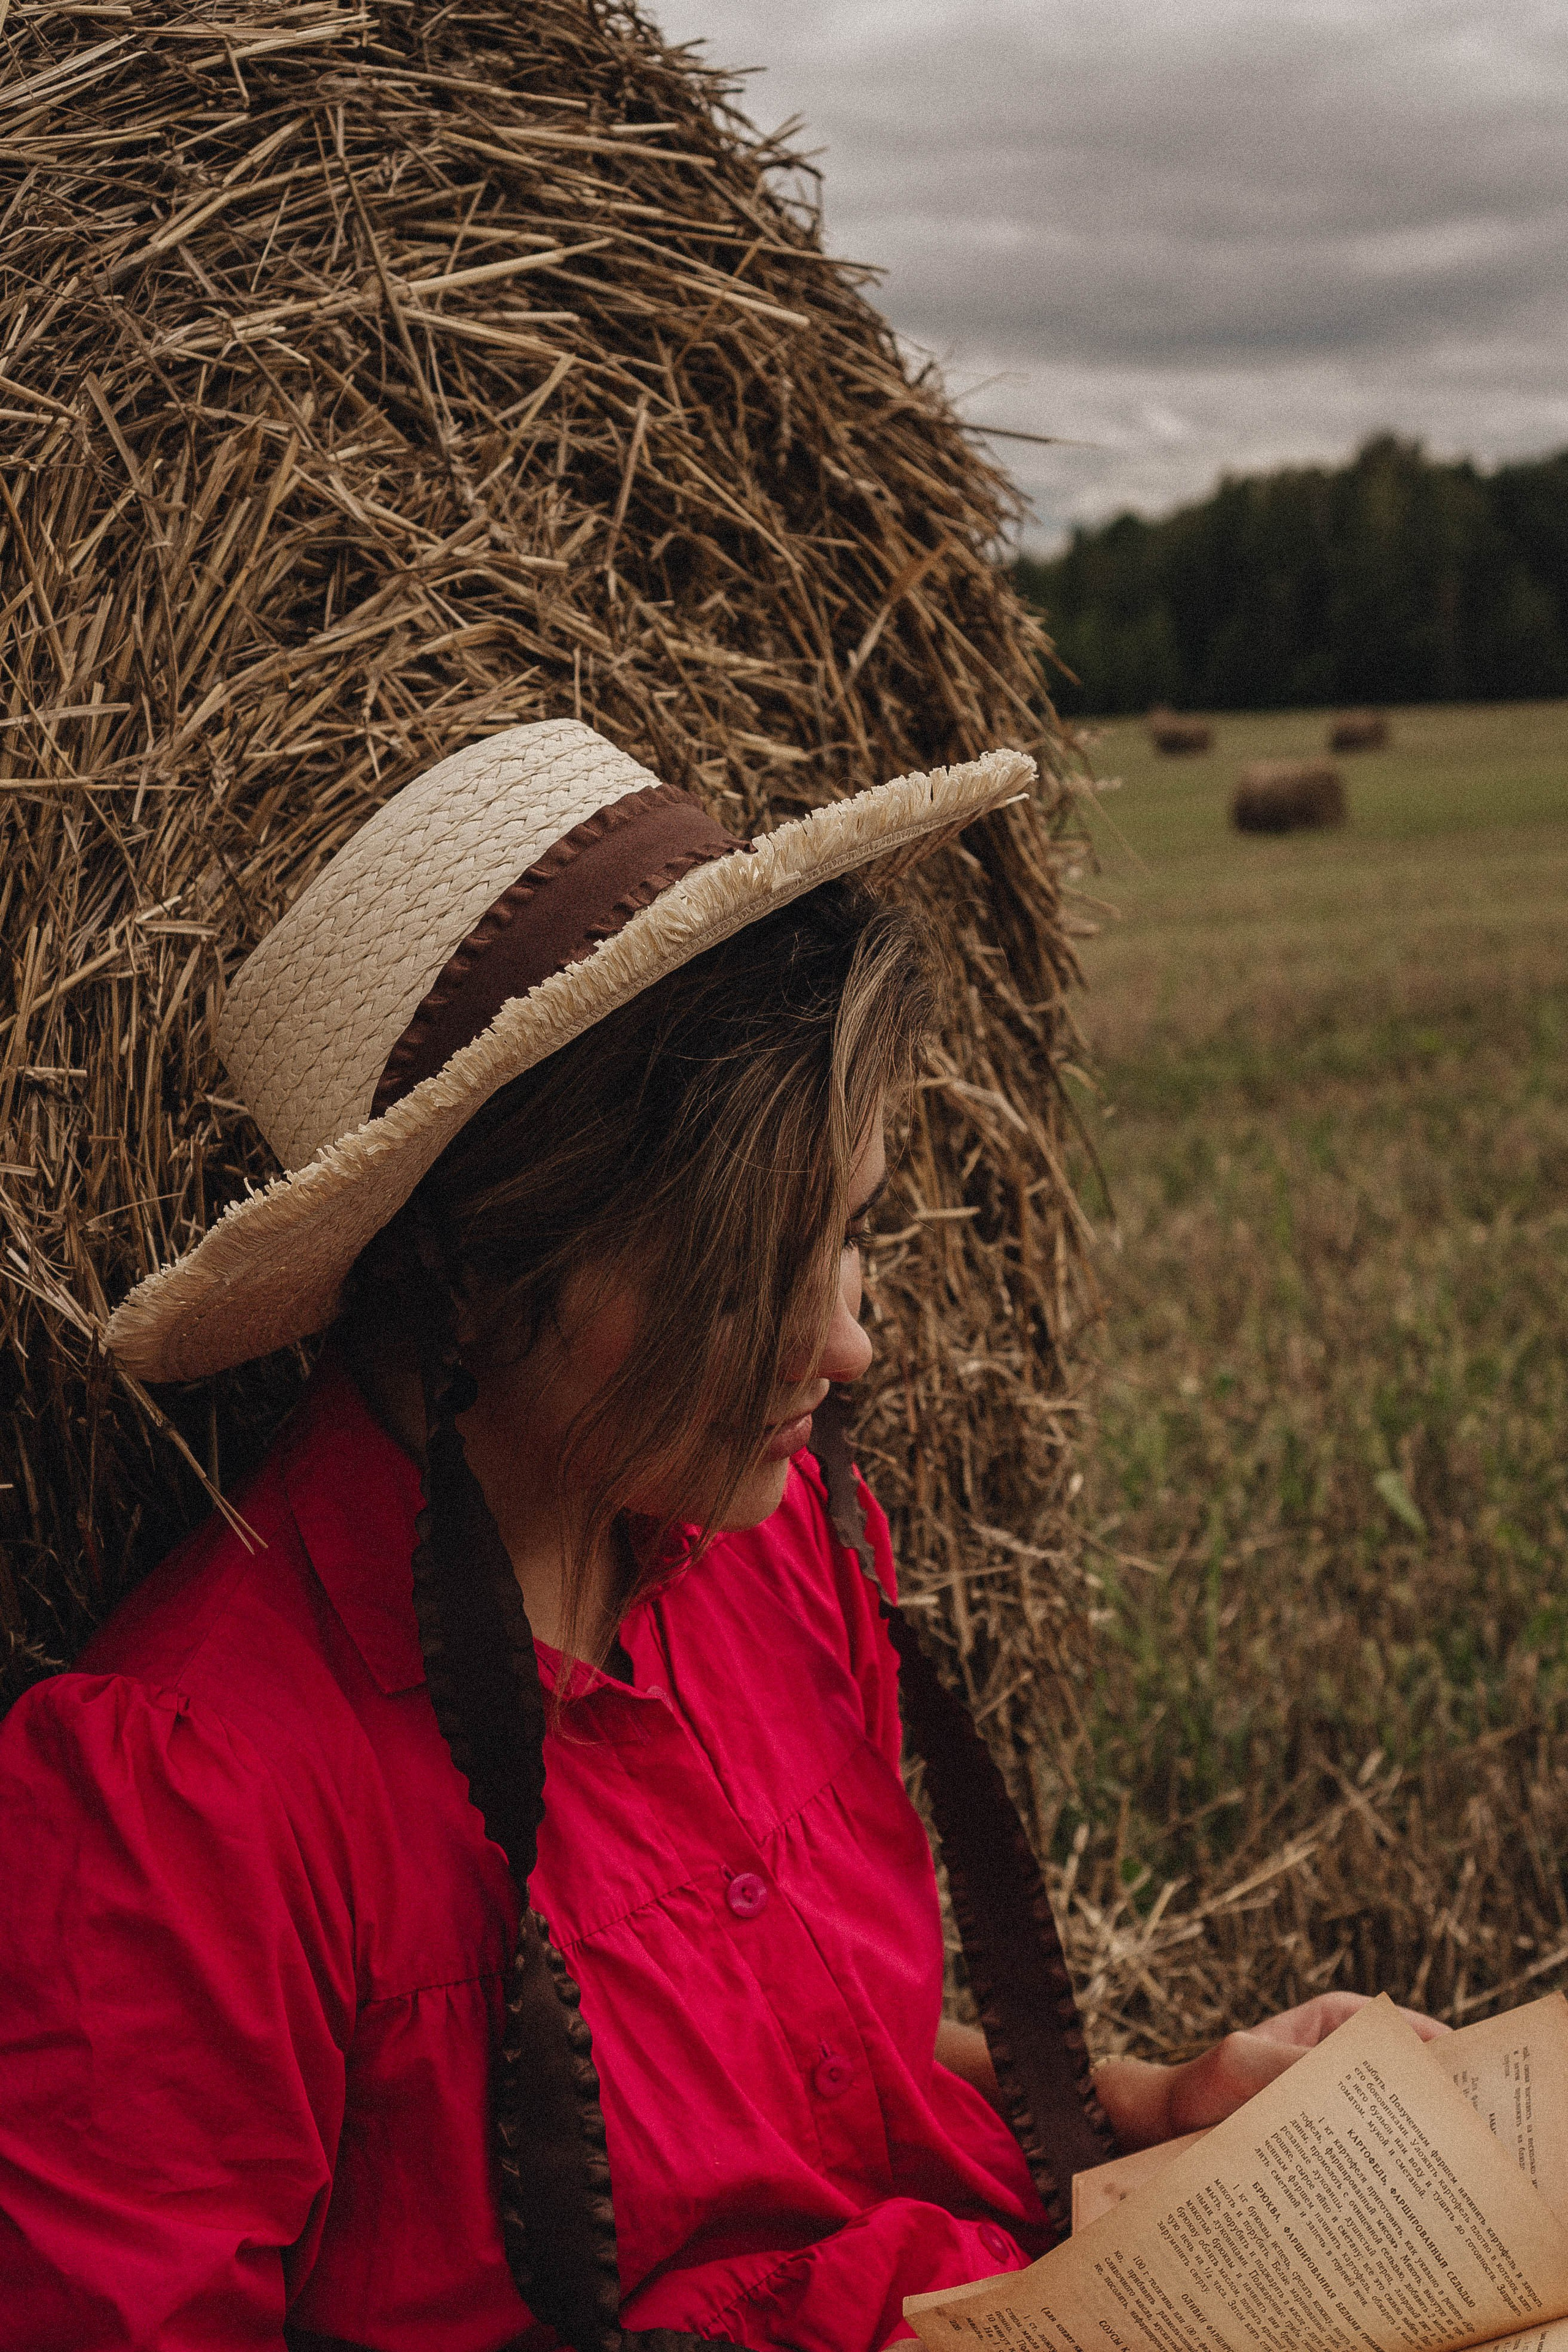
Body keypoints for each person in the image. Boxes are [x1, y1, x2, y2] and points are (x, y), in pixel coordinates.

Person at [0, 720, 1442, 2351]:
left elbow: (806, 2058)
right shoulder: (182, 1809)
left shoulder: (781, 1548)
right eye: (751, 1274)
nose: (852, 1351)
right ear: (471, 1271)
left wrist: (1151, 2103)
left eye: (851, 1239)